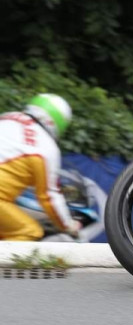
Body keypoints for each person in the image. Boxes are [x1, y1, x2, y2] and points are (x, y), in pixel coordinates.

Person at [0, 94, 81, 241]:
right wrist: (69, 225)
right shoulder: (46, 147)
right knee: (29, 232)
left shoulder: (7, 117)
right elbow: (49, 197)